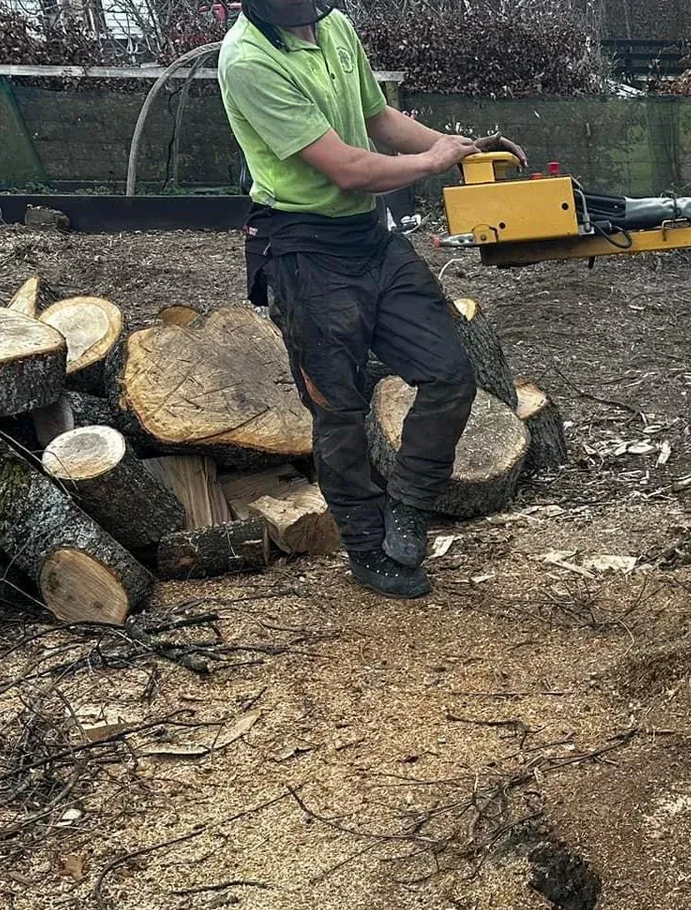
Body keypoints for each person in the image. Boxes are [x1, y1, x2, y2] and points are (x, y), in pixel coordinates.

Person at [217, 0, 525, 597]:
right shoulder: (248, 61)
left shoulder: (332, 24)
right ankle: (364, 546)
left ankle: (408, 506)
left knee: (450, 373)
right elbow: (348, 169)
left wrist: (455, 147)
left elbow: (378, 117)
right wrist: (430, 163)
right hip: (303, 248)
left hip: (368, 237)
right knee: (338, 409)